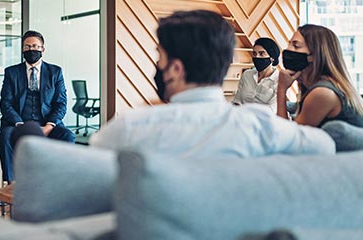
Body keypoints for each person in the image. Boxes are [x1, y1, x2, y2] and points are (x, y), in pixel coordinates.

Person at [90, 10, 335, 158]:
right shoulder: (261, 127)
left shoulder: (130, 128)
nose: (157, 63)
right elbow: (324, 146)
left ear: (175, 69)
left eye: (159, 55)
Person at [0, 30, 75, 204]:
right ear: (22, 50)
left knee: (68, 136)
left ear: (43, 49)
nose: (31, 49)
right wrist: (19, 124)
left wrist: (49, 126)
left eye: (35, 46)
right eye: (27, 46)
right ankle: (12, 187)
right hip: (18, 123)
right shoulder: (12, 72)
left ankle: (58, 185)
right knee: (5, 136)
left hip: (46, 123)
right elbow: (5, 103)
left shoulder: (55, 72)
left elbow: (61, 103)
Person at [276, 24, 363, 128]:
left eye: (296, 46)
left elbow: (287, 138)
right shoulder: (319, 86)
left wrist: (281, 90)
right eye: (289, 44)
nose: (288, 49)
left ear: (315, 55)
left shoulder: (322, 93)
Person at [232, 37, 280, 112]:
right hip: (242, 119)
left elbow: (272, 109)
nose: (257, 57)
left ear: (272, 58)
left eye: (261, 53)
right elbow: (237, 101)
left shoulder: (279, 79)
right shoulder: (247, 75)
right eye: (254, 54)